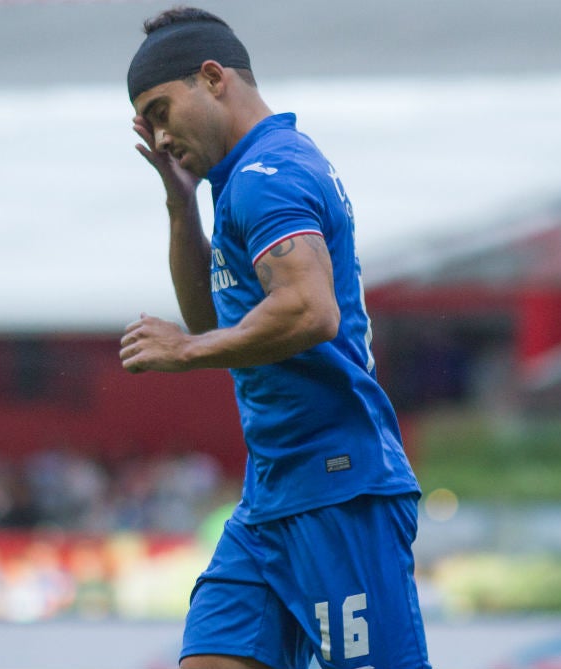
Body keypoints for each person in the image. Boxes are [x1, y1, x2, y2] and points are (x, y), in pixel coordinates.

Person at [120, 7, 431, 669]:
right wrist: (180, 205)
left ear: (212, 78)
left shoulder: (271, 176)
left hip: (338, 488)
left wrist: (183, 352)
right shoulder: (235, 184)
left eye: (161, 110)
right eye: (147, 124)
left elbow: (308, 311)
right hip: (272, 494)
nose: (160, 135)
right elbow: (214, 321)